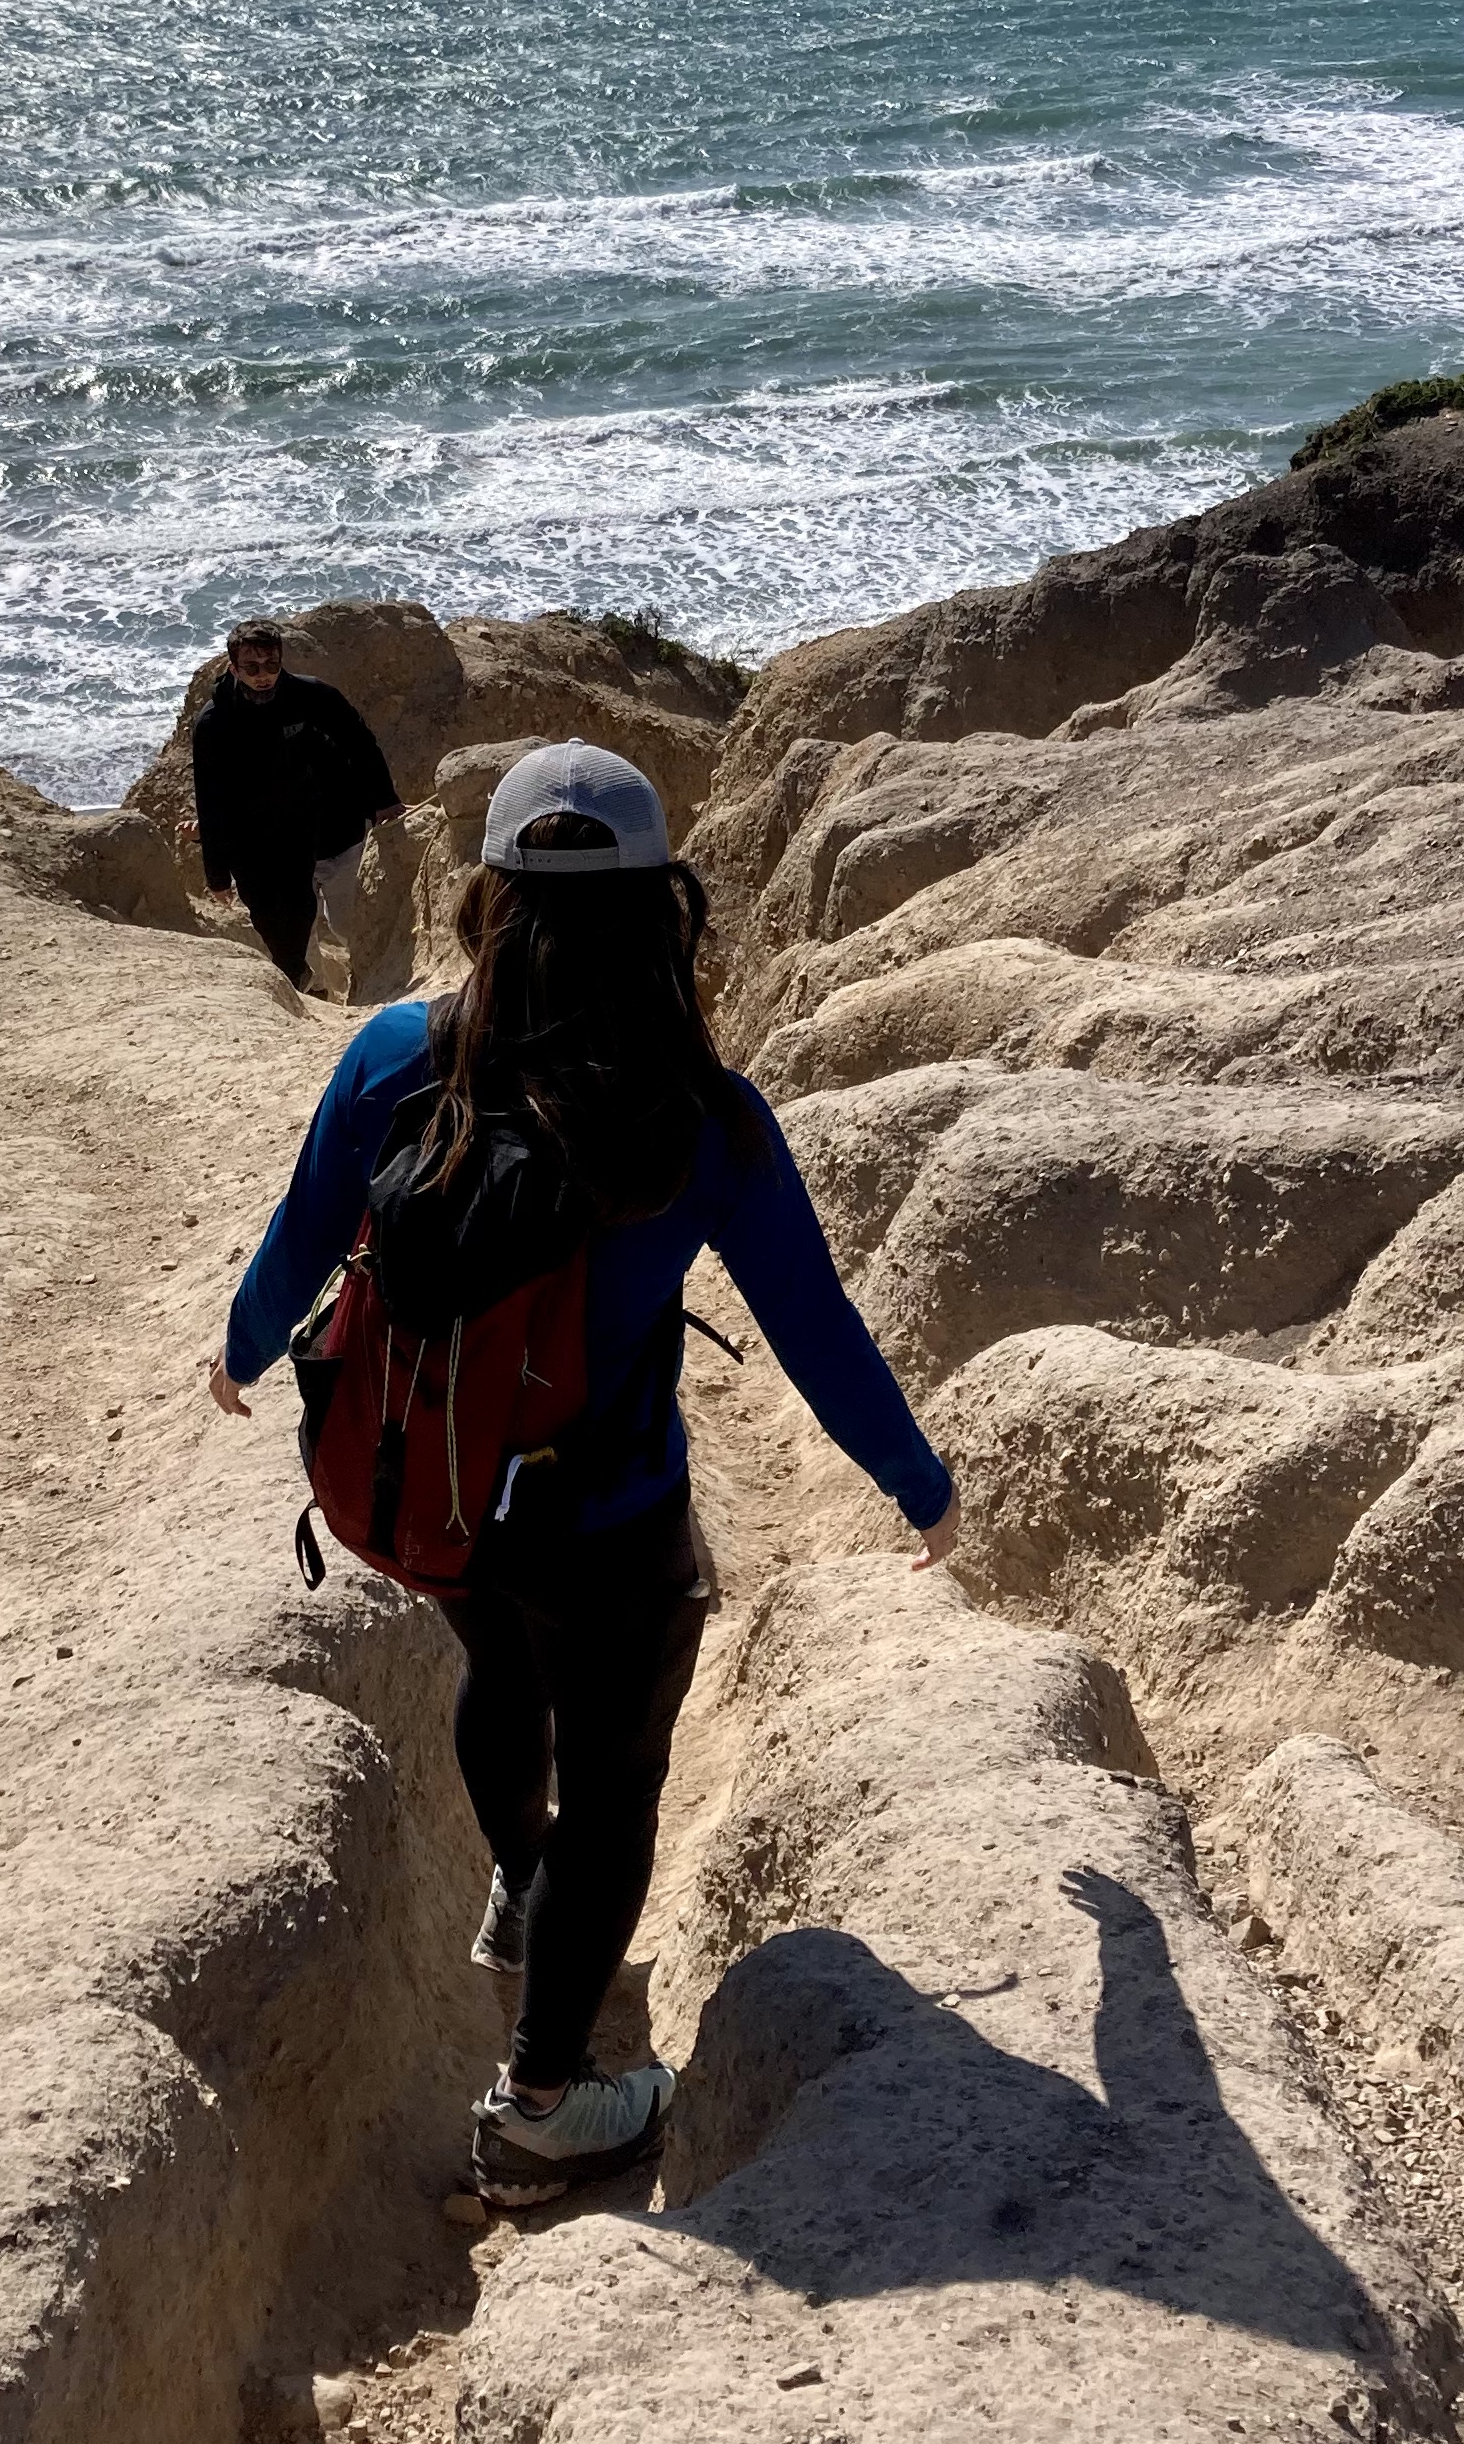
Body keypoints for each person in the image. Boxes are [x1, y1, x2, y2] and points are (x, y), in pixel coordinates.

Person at [207, 737, 957, 2206]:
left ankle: (516, 1889)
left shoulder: (396, 1057)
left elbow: (303, 1239)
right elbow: (812, 1324)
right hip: (612, 1517)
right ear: (658, 909)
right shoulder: (701, 1116)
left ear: (490, 896)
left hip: (447, 1500)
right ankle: (545, 2101)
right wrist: (919, 1484)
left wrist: (238, 1349)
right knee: (616, 1787)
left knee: (498, 1662)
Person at [188, 618, 403, 993]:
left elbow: (361, 746)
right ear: (233, 668)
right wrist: (217, 873)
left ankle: (371, 986)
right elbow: (212, 799)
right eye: (251, 668)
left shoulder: (315, 697)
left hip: (337, 834)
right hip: (269, 849)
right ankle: (314, 994)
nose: (263, 676)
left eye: (271, 665)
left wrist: (385, 802)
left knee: (348, 924)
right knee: (290, 935)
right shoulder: (215, 723)